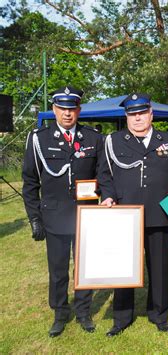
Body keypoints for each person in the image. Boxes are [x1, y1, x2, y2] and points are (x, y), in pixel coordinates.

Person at [22, 86, 112, 337]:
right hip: (54, 216)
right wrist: (34, 218)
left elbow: (103, 175)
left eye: (72, 109)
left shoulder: (93, 137)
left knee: (85, 267)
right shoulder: (39, 139)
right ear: (54, 110)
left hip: (86, 215)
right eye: (62, 108)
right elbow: (30, 182)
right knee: (58, 269)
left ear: (79, 110)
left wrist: (108, 199)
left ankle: (83, 311)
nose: (67, 114)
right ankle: (60, 313)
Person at [100, 93, 168, 336]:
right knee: (124, 267)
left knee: (159, 267)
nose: (137, 118)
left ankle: (159, 315)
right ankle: (122, 317)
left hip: (160, 213)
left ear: (151, 114)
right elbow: (105, 174)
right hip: (125, 215)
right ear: (126, 117)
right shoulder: (114, 141)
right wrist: (107, 195)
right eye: (132, 114)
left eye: (141, 113)